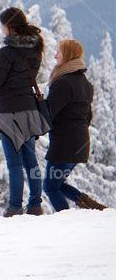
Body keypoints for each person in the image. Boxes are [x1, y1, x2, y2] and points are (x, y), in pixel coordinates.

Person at [0, 7, 50, 216]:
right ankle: (35, 204)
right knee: (30, 160)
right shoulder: (35, 48)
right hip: (29, 110)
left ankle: (14, 207)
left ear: (7, 27)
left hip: (9, 113)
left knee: (14, 162)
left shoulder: (5, 54)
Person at [42, 39, 107, 211]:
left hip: (64, 144)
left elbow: (48, 113)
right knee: (57, 184)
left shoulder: (63, 82)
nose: (55, 55)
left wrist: (37, 103)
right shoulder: (84, 83)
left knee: (50, 187)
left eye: (59, 52)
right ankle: (90, 205)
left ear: (68, 56)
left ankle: (66, 218)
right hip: (79, 143)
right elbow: (88, 116)